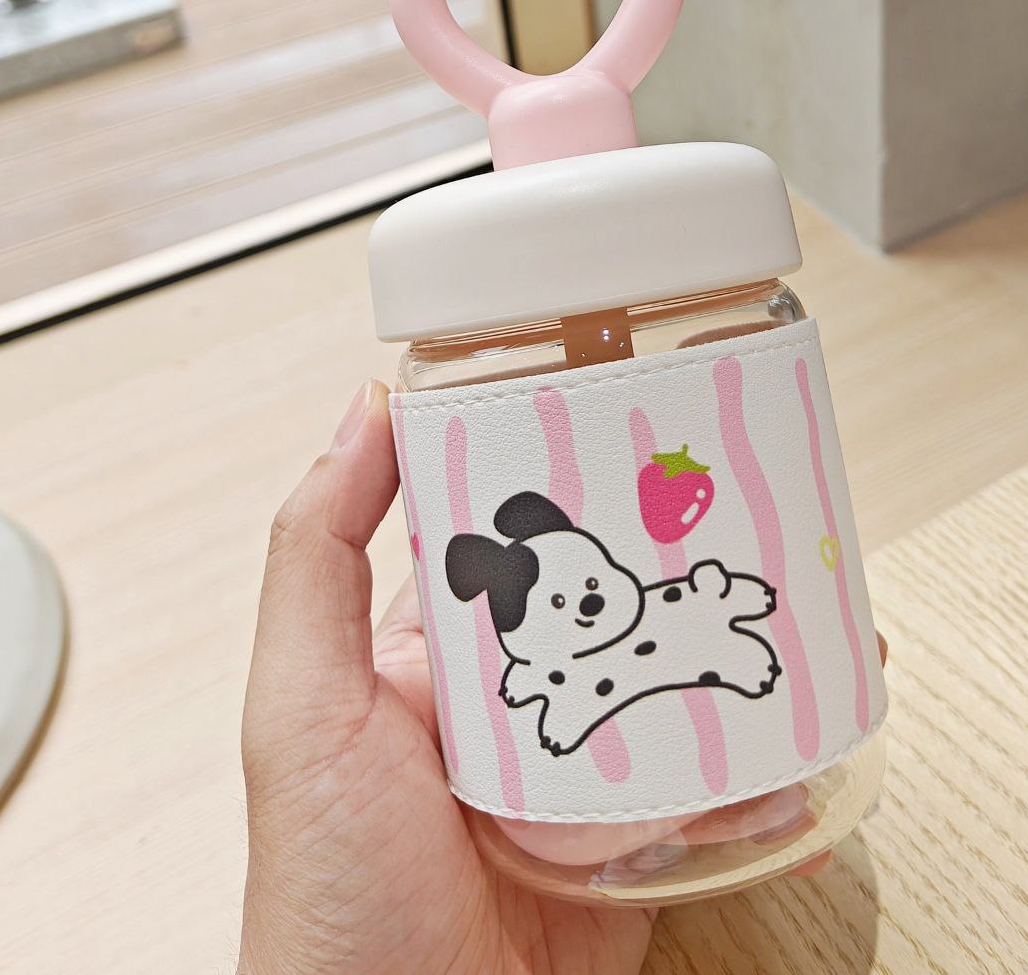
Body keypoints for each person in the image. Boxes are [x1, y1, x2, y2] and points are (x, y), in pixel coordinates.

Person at [238, 381, 886, 975]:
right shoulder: (553, 677)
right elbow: (566, 693)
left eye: (596, 581)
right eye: (564, 604)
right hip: (519, 888)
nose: (593, 603)